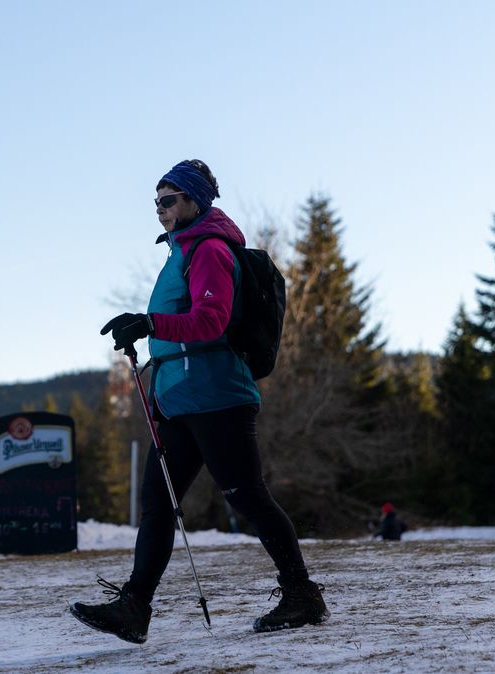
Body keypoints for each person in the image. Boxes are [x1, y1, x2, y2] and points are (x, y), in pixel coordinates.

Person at [70, 160, 329, 644]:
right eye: (155, 204)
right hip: (178, 397)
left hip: (215, 394)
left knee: (247, 495)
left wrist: (151, 325)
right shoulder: (178, 252)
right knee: (157, 503)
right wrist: (146, 333)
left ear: (192, 200)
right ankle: (134, 607)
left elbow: (211, 320)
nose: (160, 211)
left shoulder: (209, 249)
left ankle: (302, 594)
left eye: (168, 201)